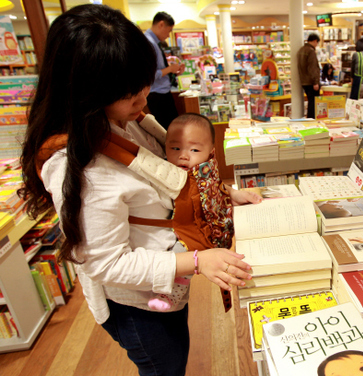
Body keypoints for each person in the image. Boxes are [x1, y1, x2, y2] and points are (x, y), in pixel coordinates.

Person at [19, 5, 259, 375]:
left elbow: (170, 175)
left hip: (166, 279)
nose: (144, 102)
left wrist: (223, 194)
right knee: (165, 364)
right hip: (137, 305)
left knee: (174, 351)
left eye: (144, 88)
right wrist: (198, 261)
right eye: (131, 95)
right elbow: (105, 262)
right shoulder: (78, 165)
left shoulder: (118, 120)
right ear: (87, 91)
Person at [148, 112, 243, 311]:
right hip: (179, 226)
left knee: (182, 254)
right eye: (175, 148)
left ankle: (170, 295)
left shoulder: (203, 172)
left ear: (210, 152)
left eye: (194, 149)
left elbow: (214, 190)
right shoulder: (170, 170)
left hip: (200, 230)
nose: (183, 155)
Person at [145, 11, 185, 129]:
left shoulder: (155, 43)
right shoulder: (149, 43)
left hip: (161, 92)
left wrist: (173, 70)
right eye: (169, 31)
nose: (168, 35)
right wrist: (170, 69)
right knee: (169, 129)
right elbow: (150, 74)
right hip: (157, 94)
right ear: (161, 24)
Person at [297, 33, 321, 119]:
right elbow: (313, 67)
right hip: (311, 81)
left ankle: (309, 119)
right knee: (313, 103)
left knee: (310, 101)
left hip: (304, 81)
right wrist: (316, 82)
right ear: (315, 41)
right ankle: (312, 120)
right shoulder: (310, 51)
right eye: (317, 43)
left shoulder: (301, 50)